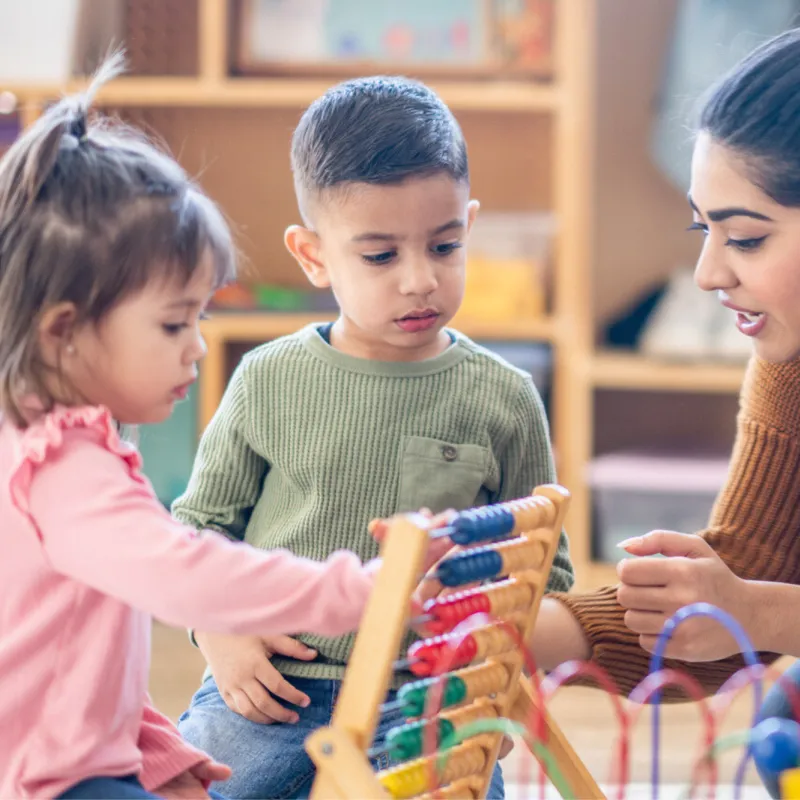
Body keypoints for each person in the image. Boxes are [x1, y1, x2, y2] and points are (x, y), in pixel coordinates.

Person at [0, 56, 450, 800]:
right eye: (175, 322)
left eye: (199, 316)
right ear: (64, 333)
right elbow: (184, 574)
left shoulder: (46, 442)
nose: (198, 345)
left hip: (68, 760)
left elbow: (69, 651)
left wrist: (152, 747)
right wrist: (360, 592)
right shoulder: (63, 467)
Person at [173, 74, 575, 799]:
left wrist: (479, 652)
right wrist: (219, 635)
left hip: (426, 707)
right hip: (274, 692)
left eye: (444, 246)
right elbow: (194, 531)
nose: (420, 280)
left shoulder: (506, 399)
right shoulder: (266, 379)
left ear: (469, 226)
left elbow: (550, 575)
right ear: (313, 254)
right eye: (381, 256)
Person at [525, 27, 800, 798]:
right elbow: (728, 608)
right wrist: (525, 630)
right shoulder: (788, 364)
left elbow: (753, 608)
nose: (708, 272)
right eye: (702, 229)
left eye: (744, 236)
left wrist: (762, 613)